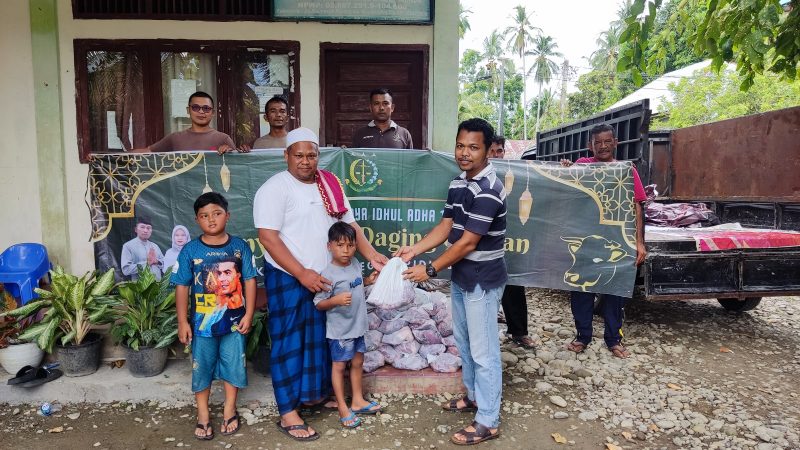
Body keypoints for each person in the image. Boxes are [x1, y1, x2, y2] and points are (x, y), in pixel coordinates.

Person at [253, 127, 388, 442]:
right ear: (286, 156)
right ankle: (288, 412)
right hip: (290, 277)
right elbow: (268, 237)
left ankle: (314, 397)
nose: (305, 161)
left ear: (318, 156)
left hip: (327, 278)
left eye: (311, 155)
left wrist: (373, 256)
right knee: (289, 343)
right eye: (298, 155)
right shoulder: (274, 188)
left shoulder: (329, 185)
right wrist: (301, 273)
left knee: (320, 341)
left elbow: (349, 226)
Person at [397, 118, 505, 445]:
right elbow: (447, 227)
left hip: (483, 280)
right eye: (460, 145)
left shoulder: (489, 189)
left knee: (484, 351)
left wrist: (429, 270)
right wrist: (414, 249)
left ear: (488, 151)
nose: (464, 153)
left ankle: (488, 420)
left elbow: (467, 243)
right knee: (466, 342)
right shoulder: (460, 182)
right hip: (462, 275)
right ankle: (474, 397)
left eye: (473, 147)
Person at [173, 192, 257, 440]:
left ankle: (230, 408)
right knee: (202, 368)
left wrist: (249, 314)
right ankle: (203, 414)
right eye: (204, 216)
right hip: (202, 326)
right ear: (197, 220)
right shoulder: (190, 250)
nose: (211, 220)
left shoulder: (240, 247)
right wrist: (182, 321)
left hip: (234, 323)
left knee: (233, 365)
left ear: (227, 216)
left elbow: (250, 280)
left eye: (217, 213)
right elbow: (182, 286)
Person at [560, 124, 647, 359]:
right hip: (586, 239)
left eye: (607, 141)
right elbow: (564, 189)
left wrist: (639, 243)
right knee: (581, 289)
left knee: (614, 292)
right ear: (591, 146)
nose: (603, 146)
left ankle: (614, 339)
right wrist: (567, 170)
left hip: (617, 240)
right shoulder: (582, 166)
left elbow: (637, 206)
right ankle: (582, 336)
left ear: (615, 143)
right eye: (598, 142)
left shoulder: (626, 171)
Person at [313, 222, 382, 429]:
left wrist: (367, 281)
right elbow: (318, 303)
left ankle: (358, 400)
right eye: (340, 245)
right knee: (339, 366)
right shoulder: (327, 274)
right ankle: (343, 406)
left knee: (358, 363)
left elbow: (356, 283)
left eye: (350, 245)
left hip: (358, 326)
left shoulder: (355, 264)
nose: (346, 250)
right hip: (340, 332)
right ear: (329, 246)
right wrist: (334, 301)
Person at [489, 136, 536, 350]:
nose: (496, 156)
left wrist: (562, 168)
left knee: (513, 284)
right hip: (481, 242)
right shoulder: (472, 175)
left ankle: (518, 332)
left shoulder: (514, 174)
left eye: (499, 151)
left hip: (509, 240)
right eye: (491, 151)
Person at [135, 91, 246, 154]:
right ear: (188, 110)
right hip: (181, 192)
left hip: (211, 193)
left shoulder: (223, 139)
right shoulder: (175, 138)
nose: (201, 112)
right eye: (196, 107)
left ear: (213, 113)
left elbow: (235, 167)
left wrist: (231, 153)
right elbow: (148, 152)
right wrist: (118, 157)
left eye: (206, 108)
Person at [120, 216, 164, 281]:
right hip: (140, 288)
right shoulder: (128, 246)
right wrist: (146, 264)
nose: (145, 230)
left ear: (151, 231)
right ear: (136, 229)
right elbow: (126, 270)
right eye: (142, 227)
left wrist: (157, 261)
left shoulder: (155, 246)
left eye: (148, 228)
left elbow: (164, 263)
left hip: (157, 287)